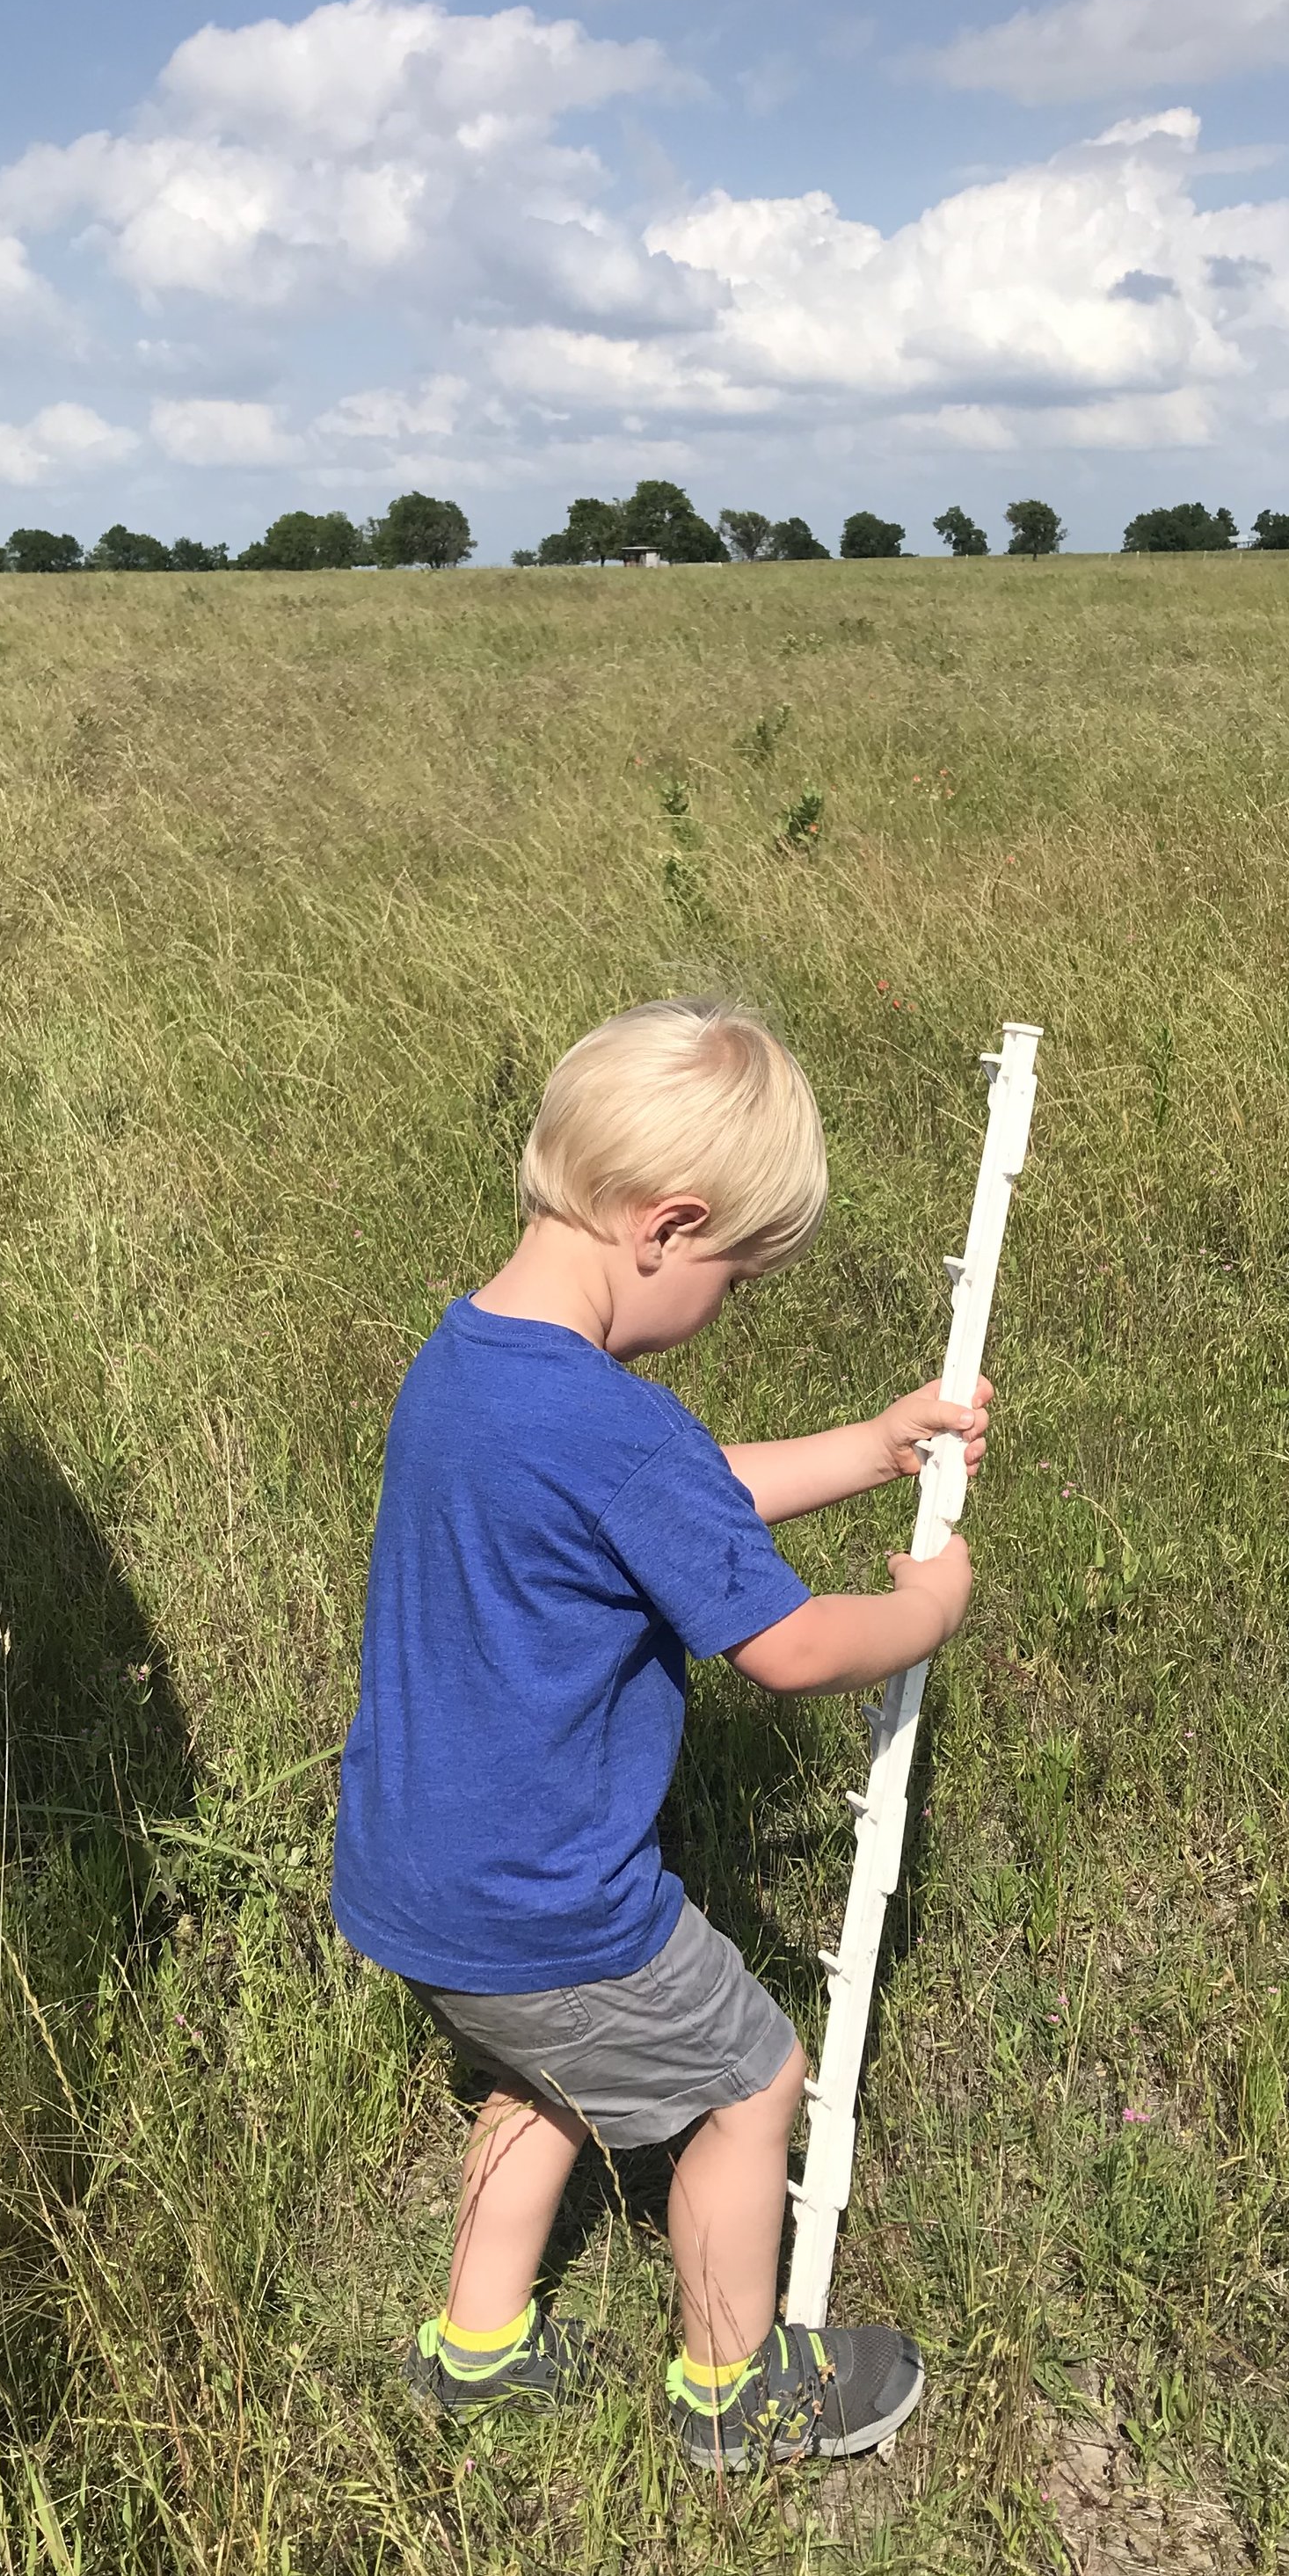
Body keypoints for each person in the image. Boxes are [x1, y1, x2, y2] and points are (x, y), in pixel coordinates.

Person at [331, 1001, 987, 2471]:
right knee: (750, 2081)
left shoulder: (468, 1362)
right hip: (556, 1902)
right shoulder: (609, 1428)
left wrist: (871, 1449)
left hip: (413, 1882)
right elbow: (792, 1645)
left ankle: (477, 2351)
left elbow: (669, 1494)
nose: (729, 1306)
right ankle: (733, 2390)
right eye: (738, 1279)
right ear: (666, 1225)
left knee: (544, 2078)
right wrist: (924, 1610)